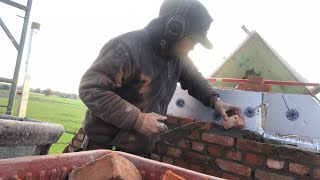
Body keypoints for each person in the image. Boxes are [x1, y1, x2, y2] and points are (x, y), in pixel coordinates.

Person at [78, 0, 242, 155]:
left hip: (136, 151)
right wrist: (138, 119)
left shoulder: (177, 56)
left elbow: (194, 79)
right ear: (175, 29)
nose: (193, 47)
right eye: (193, 39)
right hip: (103, 148)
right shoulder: (127, 48)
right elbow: (91, 89)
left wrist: (216, 101)